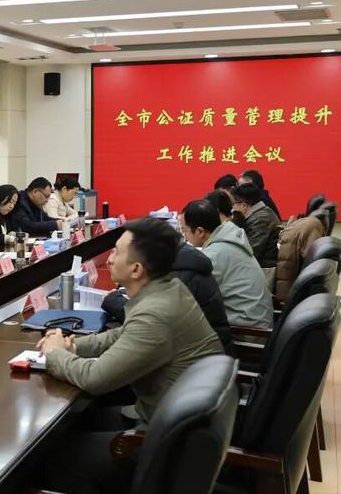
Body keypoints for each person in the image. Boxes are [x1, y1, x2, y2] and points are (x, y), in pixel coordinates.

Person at [38, 218, 223, 493]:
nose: (110, 259)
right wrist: (73, 346)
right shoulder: (169, 288)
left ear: (136, 269)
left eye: (116, 252)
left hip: (165, 443)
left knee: (45, 459)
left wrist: (55, 353)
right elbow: (121, 335)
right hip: (165, 418)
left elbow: (95, 378)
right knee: (70, 426)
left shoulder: (155, 314)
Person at [102, 240, 234, 355]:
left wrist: (114, 301)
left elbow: (150, 322)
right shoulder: (182, 262)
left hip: (198, 358)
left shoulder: (180, 277)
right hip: (200, 351)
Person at [180, 200, 272, 328]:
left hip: (245, 331)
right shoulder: (231, 237)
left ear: (200, 232)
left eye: (184, 230)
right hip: (257, 320)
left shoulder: (214, 255)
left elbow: (190, 295)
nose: (184, 236)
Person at [231, 182, 280, 268]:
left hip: (265, 268)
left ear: (243, 205)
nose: (232, 208)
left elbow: (250, 253)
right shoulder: (259, 214)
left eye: (233, 204)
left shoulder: (261, 219)